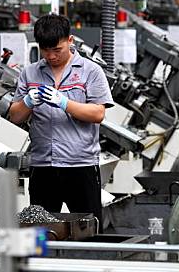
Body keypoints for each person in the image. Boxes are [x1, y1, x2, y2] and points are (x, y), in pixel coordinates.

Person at [8, 14, 114, 225]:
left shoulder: (91, 71)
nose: (52, 56)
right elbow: (15, 117)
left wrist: (65, 103)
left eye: (57, 50)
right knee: (40, 231)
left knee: (88, 230)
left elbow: (98, 114)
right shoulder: (30, 73)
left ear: (70, 41)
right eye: (46, 50)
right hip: (43, 166)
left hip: (80, 165)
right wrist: (28, 102)